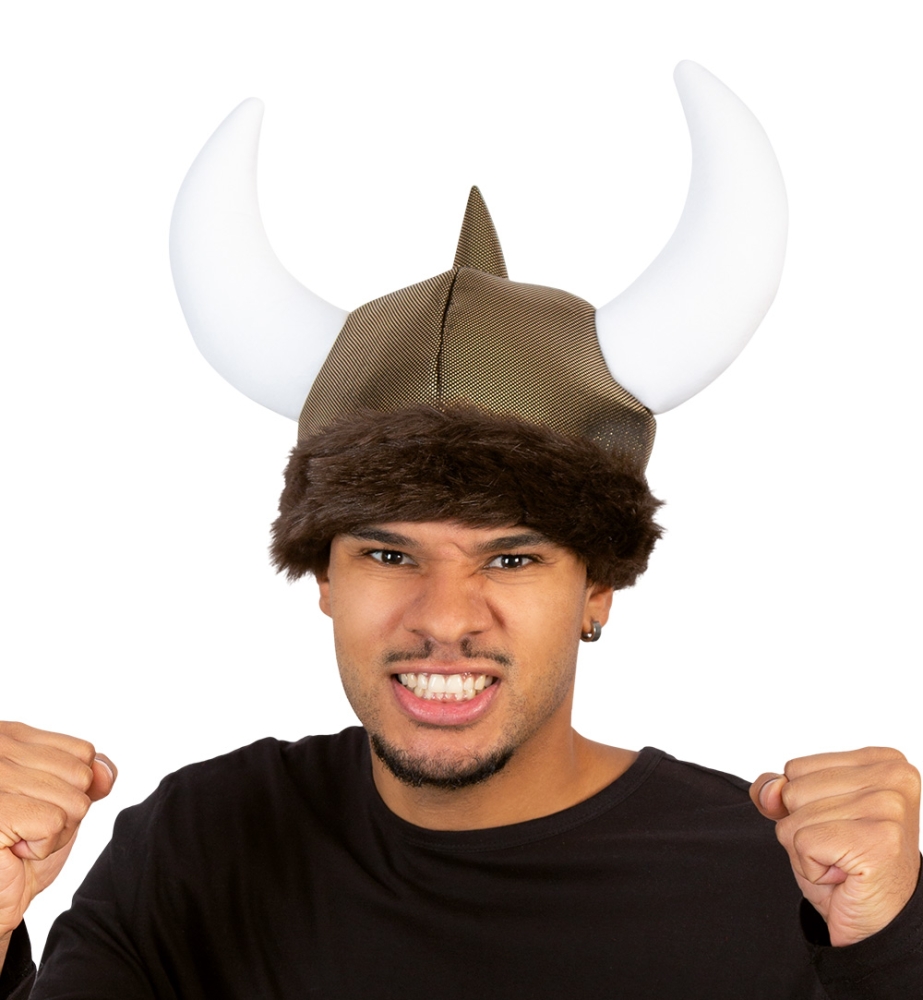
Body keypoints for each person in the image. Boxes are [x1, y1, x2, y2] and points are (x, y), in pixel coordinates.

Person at [1, 63, 920, 997]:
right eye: (387, 552)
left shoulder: (783, 882)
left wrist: (890, 948)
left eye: (511, 556)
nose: (445, 616)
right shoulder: (199, 842)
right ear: (324, 578)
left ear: (598, 587)